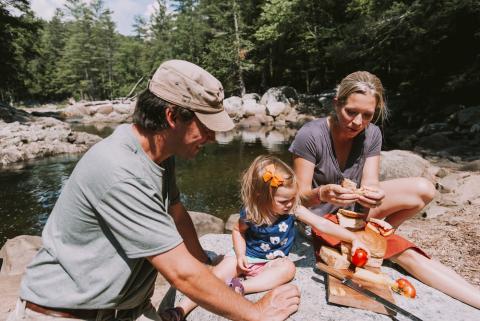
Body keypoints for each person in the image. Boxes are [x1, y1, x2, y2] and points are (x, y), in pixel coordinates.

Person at [8, 60, 301, 321]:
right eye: (206, 126)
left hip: (124, 309)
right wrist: (256, 312)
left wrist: (203, 260)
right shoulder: (120, 170)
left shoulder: (158, 155)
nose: (213, 137)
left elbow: (176, 212)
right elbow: (180, 273)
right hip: (65, 313)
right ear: (172, 117)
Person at [289, 70, 480, 309]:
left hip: (354, 214)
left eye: (367, 115)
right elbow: (297, 198)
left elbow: (370, 183)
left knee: (424, 188)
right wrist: (323, 193)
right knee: (406, 253)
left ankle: (379, 237)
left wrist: (374, 193)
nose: (357, 122)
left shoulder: (372, 134)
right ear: (336, 104)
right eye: (351, 112)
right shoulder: (311, 135)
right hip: (320, 221)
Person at [161, 155, 372, 320]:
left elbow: (321, 223)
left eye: (292, 199)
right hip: (248, 257)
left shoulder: (292, 209)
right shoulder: (252, 214)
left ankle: (241, 288)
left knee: (287, 268)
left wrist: (352, 239)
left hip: (271, 262)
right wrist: (241, 255)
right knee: (216, 275)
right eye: (283, 201)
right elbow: (237, 231)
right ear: (262, 197)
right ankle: (182, 309)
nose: (290, 204)